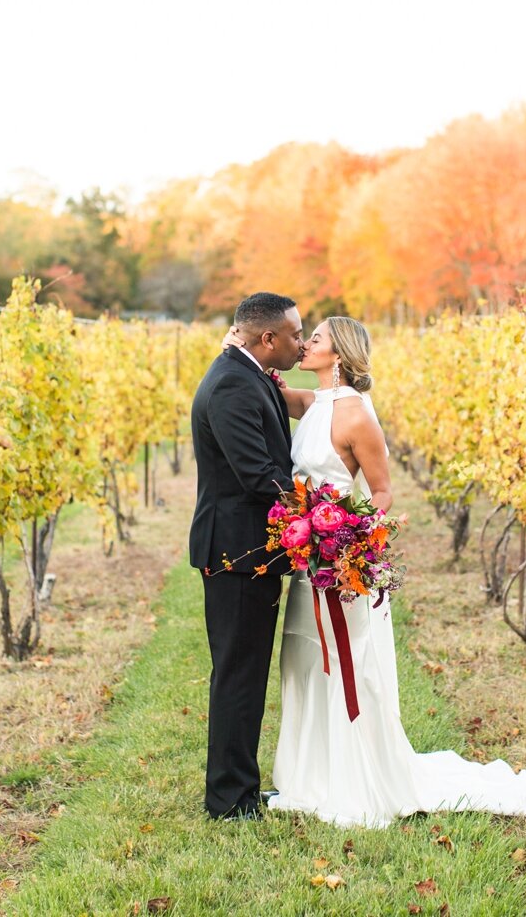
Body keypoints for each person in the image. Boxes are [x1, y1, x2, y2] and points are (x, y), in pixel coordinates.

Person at [222, 316, 526, 828]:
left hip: (340, 563)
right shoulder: (313, 402)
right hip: (309, 562)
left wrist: (350, 535)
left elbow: (383, 491)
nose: (306, 344)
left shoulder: (356, 417)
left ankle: (353, 780)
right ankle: (309, 776)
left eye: (318, 339)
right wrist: (238, 345)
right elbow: (266, 388)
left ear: (341, 354)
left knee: (344, 667)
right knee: (305, 662)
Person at [188, 292, 304, 820]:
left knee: (245, 671)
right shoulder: (233, 382)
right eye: (296, 334)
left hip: (246, 549)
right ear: (268, 339)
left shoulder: (245, 371)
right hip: (237, 550)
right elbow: (257, 475)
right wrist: (324, 509)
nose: (301, 343)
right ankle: (230, 800)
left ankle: (239, 788)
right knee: (238, 673)